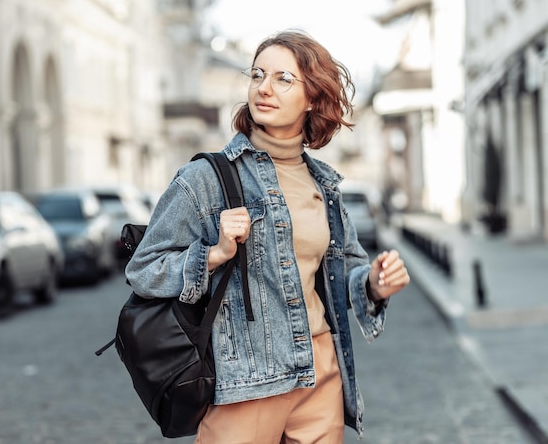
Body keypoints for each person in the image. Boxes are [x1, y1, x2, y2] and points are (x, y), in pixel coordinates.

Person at [126, 29, 410, 443]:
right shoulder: (206, 178)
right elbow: (143, 270)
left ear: (312, 96)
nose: (264, 88)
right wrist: (213, 254)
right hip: (249, 382)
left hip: (320, 373)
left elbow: (341, 271)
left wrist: (373, 283)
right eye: (257, 75)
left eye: (282, 79)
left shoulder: (322, 183)